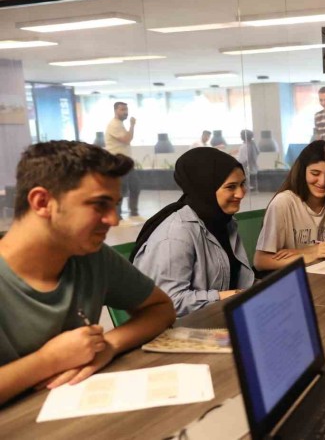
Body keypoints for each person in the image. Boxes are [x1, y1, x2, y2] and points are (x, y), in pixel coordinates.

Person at [0, 141, 176, 405]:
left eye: (115, 205)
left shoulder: (90, 255)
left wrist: (109, 345)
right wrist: (48, 360)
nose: (114, 220)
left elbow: (160, 308)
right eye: (99, 205)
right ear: (42, 202)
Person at [132, 148, 255, 317]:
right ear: (205, 188)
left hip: (220, 316)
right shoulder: (176, 234)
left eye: (242, 184)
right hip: (186, 327)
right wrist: (226, 296)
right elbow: (169, 302)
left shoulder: (223, 222)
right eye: (231, 187)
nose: (241, 193)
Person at [254, 140, 325, 271]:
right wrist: (311, 254)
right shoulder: (283, 202)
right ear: (302, 171)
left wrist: (320, 248)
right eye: (315, 173)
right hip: (298, 278)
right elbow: (260, 261)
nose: (322, 182)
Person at [105, 101, 142, 223]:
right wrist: (132, 125)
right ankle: (118, 217)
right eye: (122, 109)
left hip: (126, 162)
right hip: (118, 163)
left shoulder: (120, 124)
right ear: (115, 110)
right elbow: (127, 139)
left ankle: (134, 213)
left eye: (126, 110)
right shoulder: (114, 125)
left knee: (135, 187)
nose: (125, 112)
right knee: (120, 190)